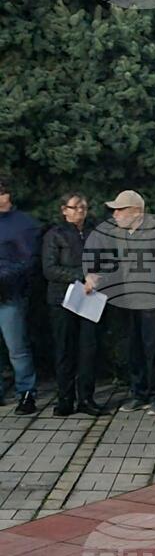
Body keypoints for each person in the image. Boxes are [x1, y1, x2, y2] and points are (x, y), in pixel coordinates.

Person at [104, 190, 155, 414]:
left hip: (153, 300)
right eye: (114, 210)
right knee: (134, 348)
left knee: (154, 348)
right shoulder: (117, 235)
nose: (115, 214)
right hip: (128, 299)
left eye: (120, 210)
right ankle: (139, 393)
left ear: (136, 211)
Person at [42, 192, 103, 416]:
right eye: (75, 207)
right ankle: (65, 399)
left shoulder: (94, 233)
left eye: (83, 207)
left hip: (90, 297)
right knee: (65, 349)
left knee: (88, 349)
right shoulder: (55, 235)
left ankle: (86, 398)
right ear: (64, 210)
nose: (80, 211)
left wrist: (97, 277)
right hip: (63, 299)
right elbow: (50, 269)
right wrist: (81, 276)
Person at [0, 177, 40, 414]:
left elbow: (29, 260)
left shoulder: (23, 224)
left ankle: (26, 392)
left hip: (10, 294)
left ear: (7, 195)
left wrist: (4, 278)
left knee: (17, 348)